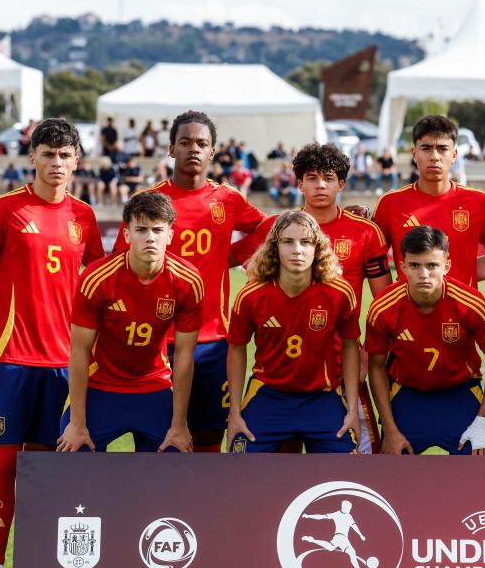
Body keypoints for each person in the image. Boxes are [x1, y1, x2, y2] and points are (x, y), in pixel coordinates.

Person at [0, 118, 105, 568]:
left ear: (77, 161)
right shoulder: (5, 208)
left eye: (65, 155)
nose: (57, 163)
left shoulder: (84, 217)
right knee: (4, 463)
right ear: (33, 157)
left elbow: (97, 288)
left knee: (47, 469)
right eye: (48, 154)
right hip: (11, 360)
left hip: (65, 366)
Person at [112, 110, 265, 452]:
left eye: (201, 143)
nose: (193, 149)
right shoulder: (148, 203)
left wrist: (230, 255)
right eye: (185, 142)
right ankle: (157, 505)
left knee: (210, 435)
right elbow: (118, 264)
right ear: (171, 149)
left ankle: (203, 505)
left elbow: (268, 228)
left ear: (212, 152)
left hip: (213, 340)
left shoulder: (228, 199)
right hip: (157, 342)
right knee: (156, 437)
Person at [231, 142, 393, 453]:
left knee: (362, 455)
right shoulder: (276, 227)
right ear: (299, 182)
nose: (320, 185)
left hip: (340, 363)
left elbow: (384, 301)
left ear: (341, 183)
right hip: (281, 367)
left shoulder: (366, 232)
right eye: (312, 177)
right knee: (281, 464)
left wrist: (369, 353)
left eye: (328, 178)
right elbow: (227, 259)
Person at [58, 192, 202, 454]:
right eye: (141, 229)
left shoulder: (188, 280)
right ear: (126, 235)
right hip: (100, 384)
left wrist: (179, 424)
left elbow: (184, 354)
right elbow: (78, 351)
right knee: (72, 449)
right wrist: (78, 423)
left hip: (154, 384)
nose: (150, 237)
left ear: (170, 235)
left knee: (175, 454)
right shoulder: (97, 278)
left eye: (158, 230)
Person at [226, 210, 360, 453]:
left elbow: (351, 346)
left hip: (322, 398)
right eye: (288, 242)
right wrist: (234, 413)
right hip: (268, 395)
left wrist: (352, 410)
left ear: (317, 248)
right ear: (274, 247)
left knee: (346, 470)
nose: (297, 250)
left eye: (306, 242)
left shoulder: (339, 292)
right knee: (240, 467)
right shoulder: (251, 296)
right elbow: (236, 349)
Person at [366, 226, 485, 456]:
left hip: (461, 395)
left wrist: (482, 421)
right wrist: (390, 429)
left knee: (478, 479)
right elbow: (376, 365)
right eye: (415, 265)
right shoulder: (384, 306)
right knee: (392, 479)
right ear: (402, 266)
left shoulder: (471, 303)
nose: (424, 274)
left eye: (432, 265)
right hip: (407, 397)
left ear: (446, 266)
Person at [372, 115, 485, 289]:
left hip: (463, 312)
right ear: (414, 154)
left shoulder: (477, 201)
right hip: (409, 312)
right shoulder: (390, 203)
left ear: (454, 155)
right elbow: (372, 259)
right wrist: (385, 302)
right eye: (426, 148)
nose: (434, 156)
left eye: (442, 148)